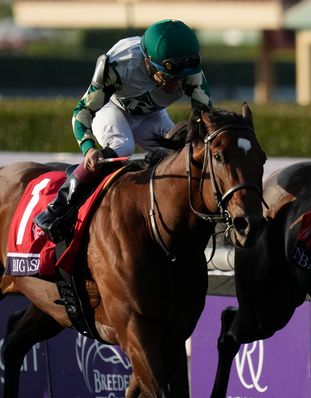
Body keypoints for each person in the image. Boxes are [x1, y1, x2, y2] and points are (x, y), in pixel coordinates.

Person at [34, 18, 213, 242]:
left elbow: (204, 122)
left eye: (182, 77)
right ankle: (58, 206)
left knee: (180, 153)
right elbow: (82, 112)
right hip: (111, 108)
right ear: (148, 63)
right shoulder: (120, 64)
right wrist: (89, 149)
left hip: (151, 115)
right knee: (123, 145)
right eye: (170, 76)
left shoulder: (191, 73)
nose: (177, 84)